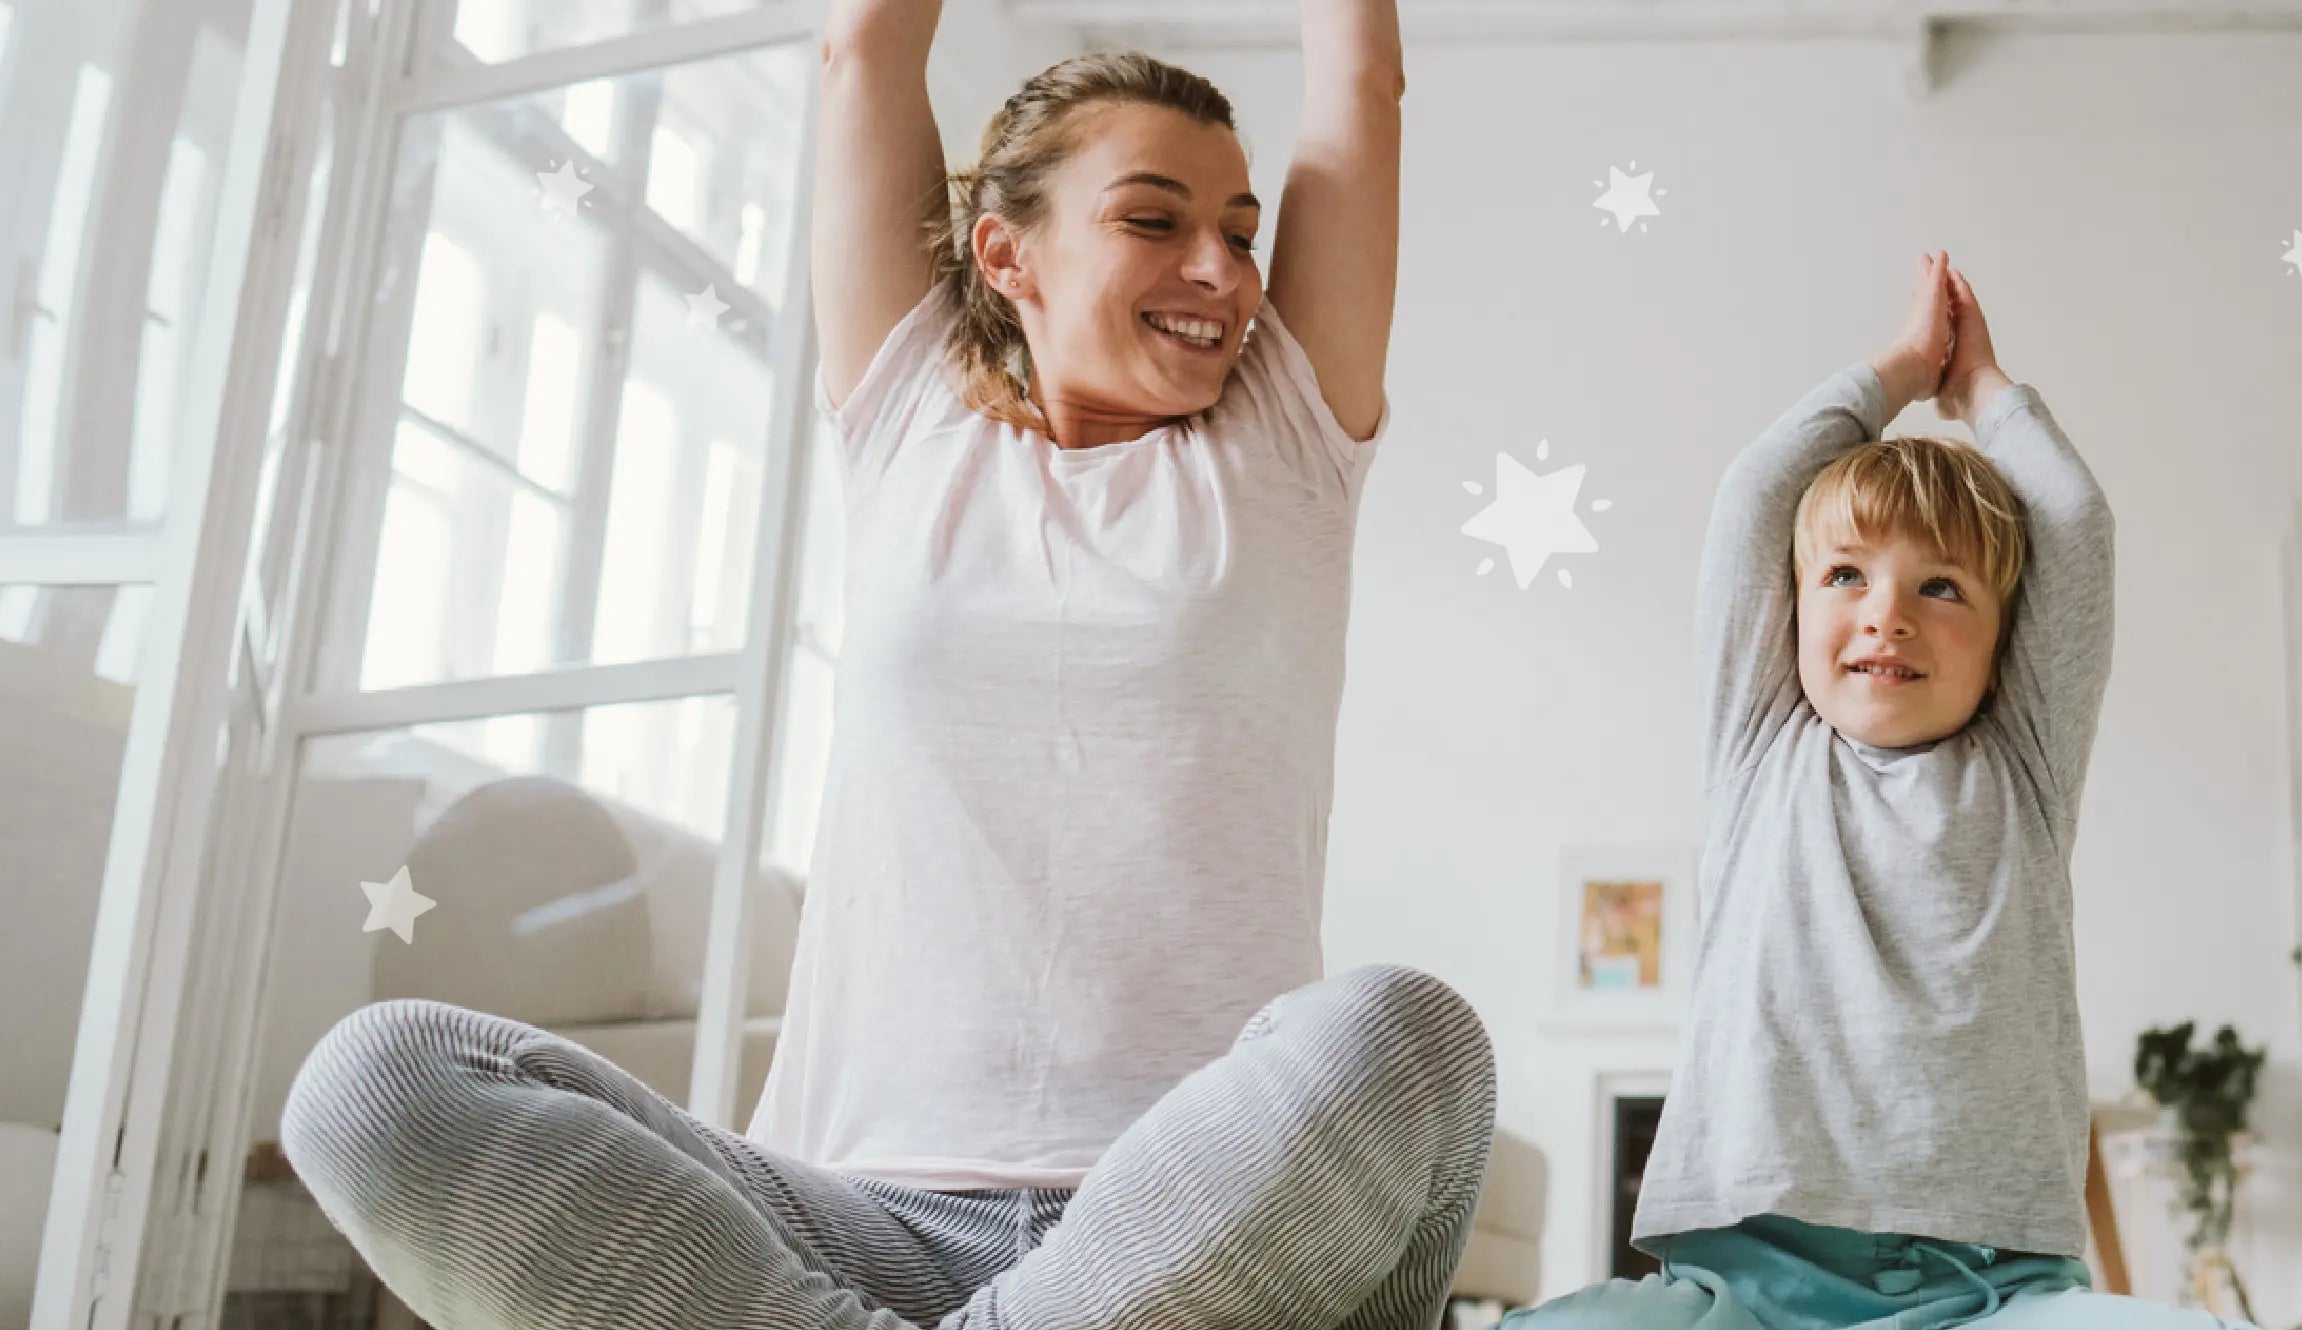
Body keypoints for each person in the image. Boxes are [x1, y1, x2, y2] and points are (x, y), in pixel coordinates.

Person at [278, 5, 1498, 1327]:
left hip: (1191, 1235)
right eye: (1155, 219)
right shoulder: (912, 412)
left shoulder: (1284, 447)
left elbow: (1359, 75)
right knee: (379, 1080)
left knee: (1408, 1036)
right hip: (854, 1222)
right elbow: (865, 46)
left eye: (1244, 232)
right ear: (1004, 249)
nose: (1224, 267)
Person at [1500, 253, 2238, 1330]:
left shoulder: (2024, 766)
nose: (1885, 616)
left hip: (1990, 1289)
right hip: (1744, 1287)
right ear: (1796, 604)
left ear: (2003, 642)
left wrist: (1983, 391)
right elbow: (1758, 490)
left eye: (1940, 588)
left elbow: (2074, 519)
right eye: (1846, 576)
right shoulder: (1761, 745)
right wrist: (1896, 369)